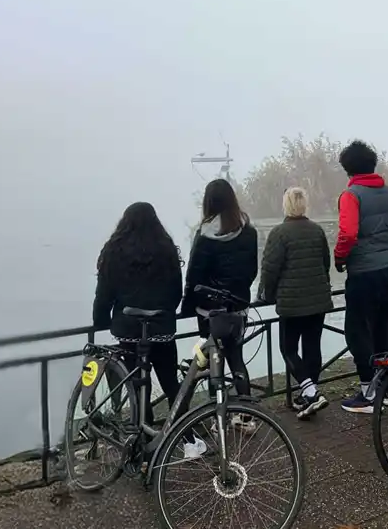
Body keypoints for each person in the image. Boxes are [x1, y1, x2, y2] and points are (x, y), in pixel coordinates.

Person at [334, 140, 388, 414]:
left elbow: (348, 234)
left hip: (363, 274)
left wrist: (340, 257)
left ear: (348, 169)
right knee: (382, 332)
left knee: (356, 332)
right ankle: (387, 388)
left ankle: (368, 392)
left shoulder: (351, 195)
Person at [92, 201, 183, 422]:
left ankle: (144, 438)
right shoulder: (166, 248)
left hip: (129, 329)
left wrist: (101, 321)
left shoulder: (114, 250)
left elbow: (104, 295)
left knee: (137, 384)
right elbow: (176, 292)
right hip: (161, 327)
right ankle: (184, 432)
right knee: (171, 382)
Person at [182, 179, 259, 430]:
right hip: (238, 307)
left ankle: (220, 417)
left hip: (209, 311)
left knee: (214, 361)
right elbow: (251, 271)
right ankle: (247, 417)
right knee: (236, 357)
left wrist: (187, 304)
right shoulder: (248, 230)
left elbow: (194, 275)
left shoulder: (205, 234)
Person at [259, 187, 334, 419]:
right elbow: (325, 263)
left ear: (286, 205)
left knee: (288, 348)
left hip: (292, 303)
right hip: (319, 300)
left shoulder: (279, 233)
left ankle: (311, 393)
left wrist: (266, 296)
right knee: (313, 348)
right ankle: (309, 395)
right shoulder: (317, 230)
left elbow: (270, 269)